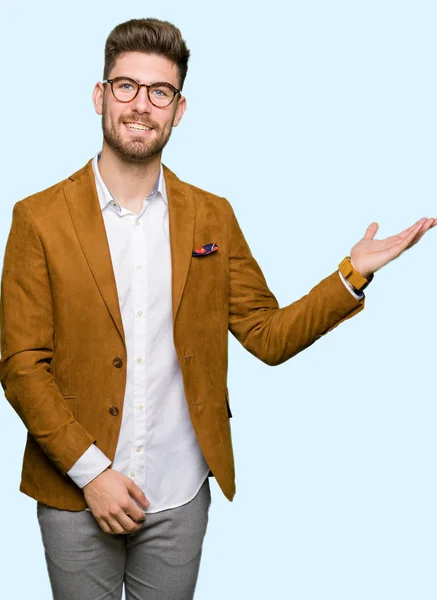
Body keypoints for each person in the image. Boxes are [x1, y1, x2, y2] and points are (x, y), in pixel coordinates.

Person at [0, 17, 434, 600]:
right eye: (126, 86)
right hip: (75, 495)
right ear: (100, 96)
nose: (141, 105)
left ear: (178, 110)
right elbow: (22, 364)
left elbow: (267, 334)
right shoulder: (38, 218)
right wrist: (92, 473)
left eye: (160, 92)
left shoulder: (212, 217)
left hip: (180, 495)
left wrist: (350, 273)